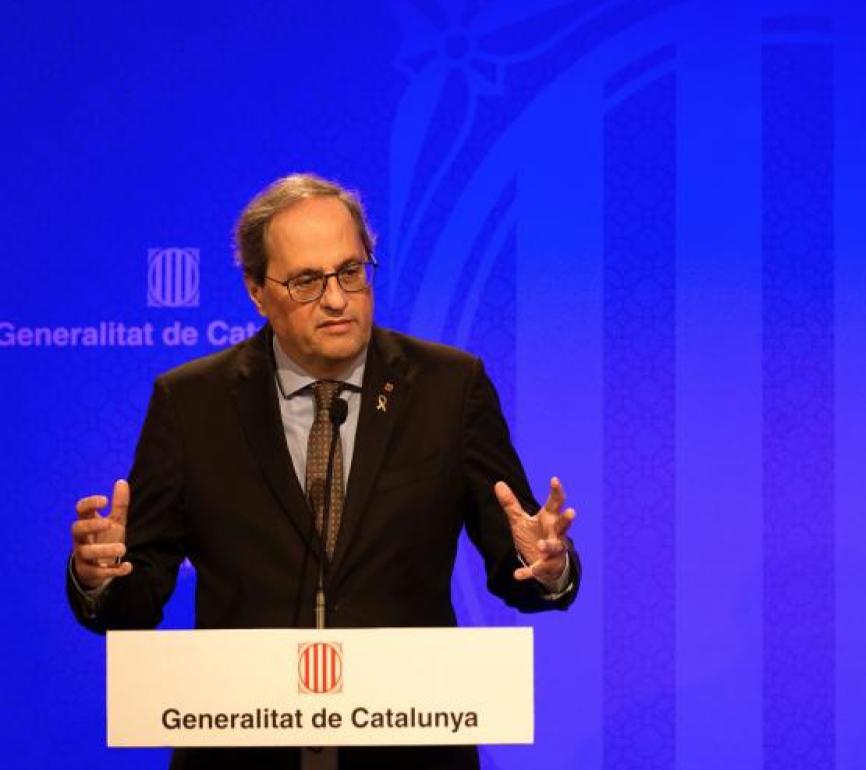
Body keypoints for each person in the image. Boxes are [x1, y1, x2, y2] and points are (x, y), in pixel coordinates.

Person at [67, 173, 580, 770]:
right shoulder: (191, 403)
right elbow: (136, 601)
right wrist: (100, 578)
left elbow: (516, 562)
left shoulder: (449, 388)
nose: (336, 299)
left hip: (408, 749)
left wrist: (546, 566)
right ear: (257, 291)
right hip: (244, 751)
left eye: (351, 271)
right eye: (307, 281)